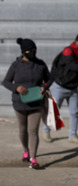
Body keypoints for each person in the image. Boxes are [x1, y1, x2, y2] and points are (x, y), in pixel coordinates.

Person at [2, 38, 51, 169]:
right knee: (23, 130)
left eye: (35, 50)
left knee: (33, 130)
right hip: (20, 103)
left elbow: (50, 78)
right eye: (30, 51)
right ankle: (25, 150)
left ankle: (33, 158)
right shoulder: (16, 65)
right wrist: (16, 88)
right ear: (24, 52)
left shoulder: (40, 64)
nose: (33, 53)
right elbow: (6, 81)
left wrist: (44, 86)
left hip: (36, 103)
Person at [43, 33, 78, 143]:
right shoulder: (68, 51)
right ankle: (46, 130)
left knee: (74, 113)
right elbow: (72, 66)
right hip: (60, 87)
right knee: (54, 111)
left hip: (73, 88)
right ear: (77, 41)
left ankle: (72, 135)